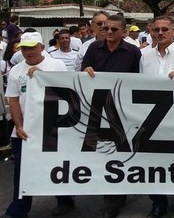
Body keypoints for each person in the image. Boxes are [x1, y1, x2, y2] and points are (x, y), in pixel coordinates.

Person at [3, 32, 75, 218]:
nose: (28, 52)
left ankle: (65, 200)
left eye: (32, 47)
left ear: (41, 47)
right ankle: (18, 209)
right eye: (25, 48)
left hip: (53, 128)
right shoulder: (16, 70)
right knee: (22, 169)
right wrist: (18, 125)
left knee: (56, 166)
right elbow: (13, 100)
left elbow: (65, 91)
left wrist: (42, 76)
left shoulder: (55, 65)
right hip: (26, 130)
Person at [81, 14, 142, 218]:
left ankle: (116, 197)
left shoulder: (133, 52)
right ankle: (110, 197)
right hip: (98, 110)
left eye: (114, 29)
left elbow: (139, 82)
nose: (108, 32)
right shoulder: (93, 48)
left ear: (124, 32)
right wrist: (86, 72)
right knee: (102, 152)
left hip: (123, 111)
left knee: (121, 153)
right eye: (106, 28)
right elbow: (82, 76)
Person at [140, 15, 174, 218]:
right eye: (156, 30)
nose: (160, 33)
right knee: (153, 164)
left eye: (165, 29)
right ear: (151, 32)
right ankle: (158, 203)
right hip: (150, 120)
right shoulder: (144, 55)